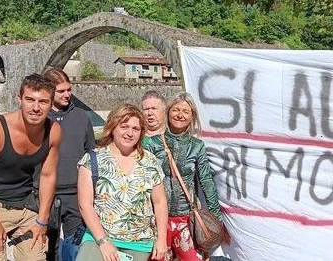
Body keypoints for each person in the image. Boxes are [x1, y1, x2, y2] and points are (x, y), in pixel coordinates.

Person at [0, 73, 62, 261]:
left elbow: (48, 176)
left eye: (43, 102)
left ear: (51, 104)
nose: (35, 108)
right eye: (30, 100)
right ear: (19, 99)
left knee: (36, 257)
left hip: (26, 205)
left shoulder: (53, 131)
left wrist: (42, 220)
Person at [76, 103, 168, 261]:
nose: (130, 133)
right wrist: (103, 241)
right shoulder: (92, 160)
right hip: (99, 239)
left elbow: (160, 203)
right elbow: (85, 205)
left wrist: (161, 240)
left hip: (139, 243)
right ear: (112, 127)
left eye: (136, 129)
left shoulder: (150, 162)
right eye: (124, 126)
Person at [144, 91, 223, 261]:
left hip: (187, 220)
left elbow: (206, 181)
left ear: (192, 116)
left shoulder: (197, 146)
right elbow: (143, 181)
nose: (180, 115)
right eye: (176, 110)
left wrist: (216, 218)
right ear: (168, 112)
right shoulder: (153, 144)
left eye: (185, 112)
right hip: (158, 219)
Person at [43, 68, 95, 261]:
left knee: (74, 246)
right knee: (49, 245)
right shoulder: (40, 118)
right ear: (49, 92)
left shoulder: (81, 117)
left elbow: (91, 153)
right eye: (61, 91)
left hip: (76, 193)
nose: (67, 94)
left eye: (69, 89)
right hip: (48, 192)